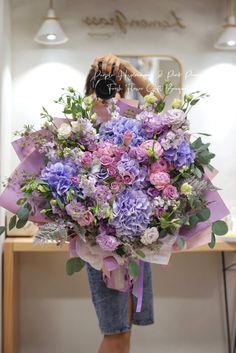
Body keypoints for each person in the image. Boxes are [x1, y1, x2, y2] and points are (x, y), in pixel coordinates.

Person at [84, 53, 164, 353]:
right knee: (115, 331)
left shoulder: (132, 120)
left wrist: (128, 69)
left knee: (125, 329)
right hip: (101, 244)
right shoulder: (82, 123)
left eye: (115, 85)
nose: (109, 92)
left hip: (134, 239)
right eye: (102, 85)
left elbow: (156, 101)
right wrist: (93, 100)